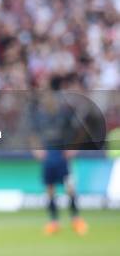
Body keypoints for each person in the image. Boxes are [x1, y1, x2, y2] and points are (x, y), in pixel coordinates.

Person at [30, 77, 87, 236]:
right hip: (48, 154)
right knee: (49, 189)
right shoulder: (39, 114)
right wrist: (37, 150)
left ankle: (76, 220)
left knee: (70, 188)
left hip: (62, 154)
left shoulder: (65, 113)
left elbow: (80, 130)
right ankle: (54, 222)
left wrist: (73, 148)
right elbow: (33, 134)